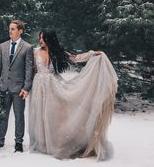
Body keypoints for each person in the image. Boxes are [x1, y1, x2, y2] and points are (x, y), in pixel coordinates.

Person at [29, 29, 118, 160]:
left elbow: (76, 58)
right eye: (40, 38)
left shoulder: (57, 51)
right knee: (41, 115)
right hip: (38, 87)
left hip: (54, 87)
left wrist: (92, 54)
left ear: (50, 39)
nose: (41, 41)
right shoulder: (35, 52)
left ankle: (57, 143)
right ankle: (43, 144)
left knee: (55, 116)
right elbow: (30, 70)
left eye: (43, 38)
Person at [0, 20, 34, 153]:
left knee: (19, 116)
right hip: (3, 87)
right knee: (3, 115)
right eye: (9, 29)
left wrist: (26, 88)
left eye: (13, 29)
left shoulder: (27, 47)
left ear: (20, 31)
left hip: (19, 89)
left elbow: (28, 70)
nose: (10, 31)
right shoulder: (3, 46)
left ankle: (18, 143)